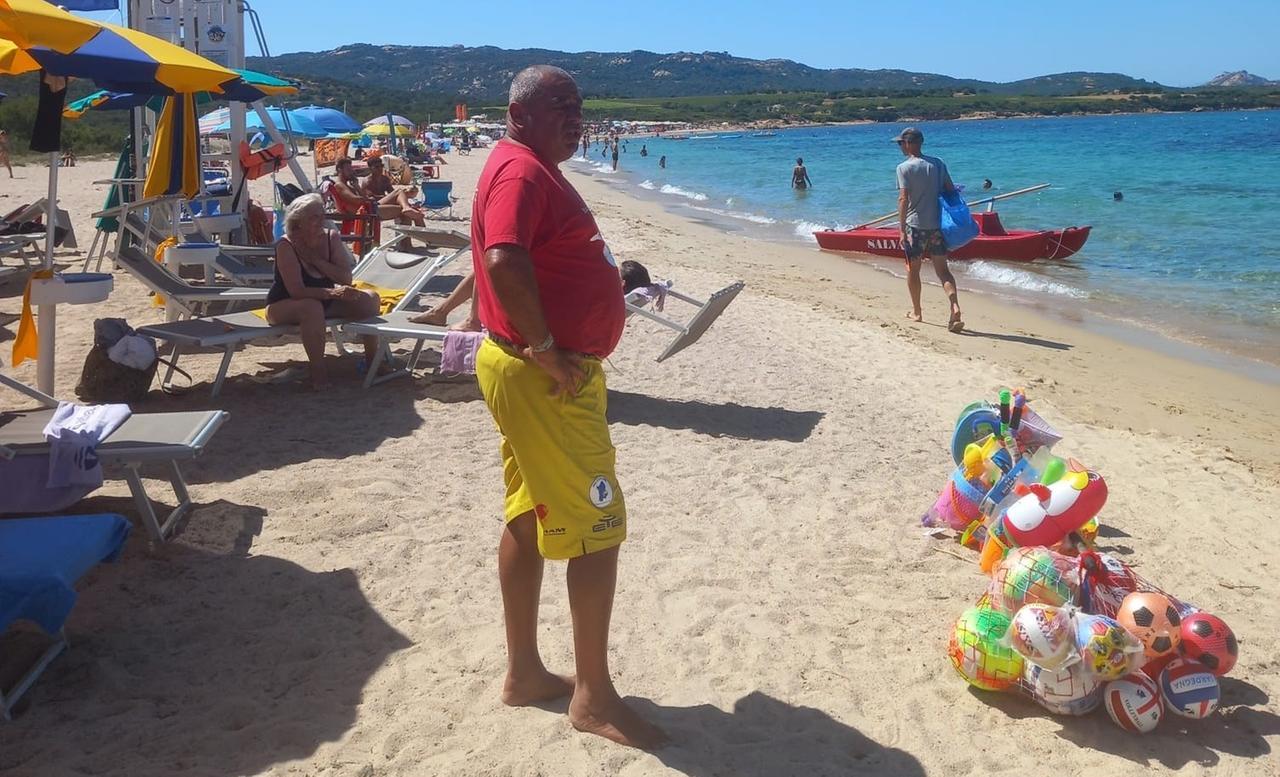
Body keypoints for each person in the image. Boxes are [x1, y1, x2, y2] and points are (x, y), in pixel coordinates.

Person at [470, 64, 667, 750]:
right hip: (545, 378)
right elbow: (501, 260)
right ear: (519, 110)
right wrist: (547, 345)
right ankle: (592, 695)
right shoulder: (522, 171)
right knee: (599, 524)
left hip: (521, 368)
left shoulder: (521, 164)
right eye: (562, 105)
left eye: (580, 105)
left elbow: (504, 265)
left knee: (527, 513)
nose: (577, 116)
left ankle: (525, 671)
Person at [265, 193, 382, 390]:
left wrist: (315, 259)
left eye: (322, 216)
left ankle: (373, 362)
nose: (321, 222)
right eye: (314, 218)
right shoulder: (286, 245)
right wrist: (332, 293)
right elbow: (296, 291)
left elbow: (345, 278)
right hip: (283, 305)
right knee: (311, 308)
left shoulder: (330, 238)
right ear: (298, 222)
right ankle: (318, 374)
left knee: (369, 299)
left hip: (321, 301)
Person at [893, 127, 964, 333]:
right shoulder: (938, 164)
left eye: (900, 143)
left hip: (915, 226)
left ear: (908, 144)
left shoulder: (903, 168)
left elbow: (903, 199)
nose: (899, 147)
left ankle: (917, 311)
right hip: (937, 226)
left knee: (913, 270)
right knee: (943, 271)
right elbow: (951, 191)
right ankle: (954, 306)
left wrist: (900, 229)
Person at [363, 156, 426, 238]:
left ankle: (425, 239)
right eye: (376, 167)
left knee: (415, 213)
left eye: (381, 166)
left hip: (385, 204)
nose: (380, 169)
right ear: (370, 168)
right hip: (374, 206)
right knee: (400, 192)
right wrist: (396, 195)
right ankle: (406, 207)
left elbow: (392, 193)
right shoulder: (367, 181)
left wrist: (407, 194)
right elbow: (371, 198)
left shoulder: (384, 179)